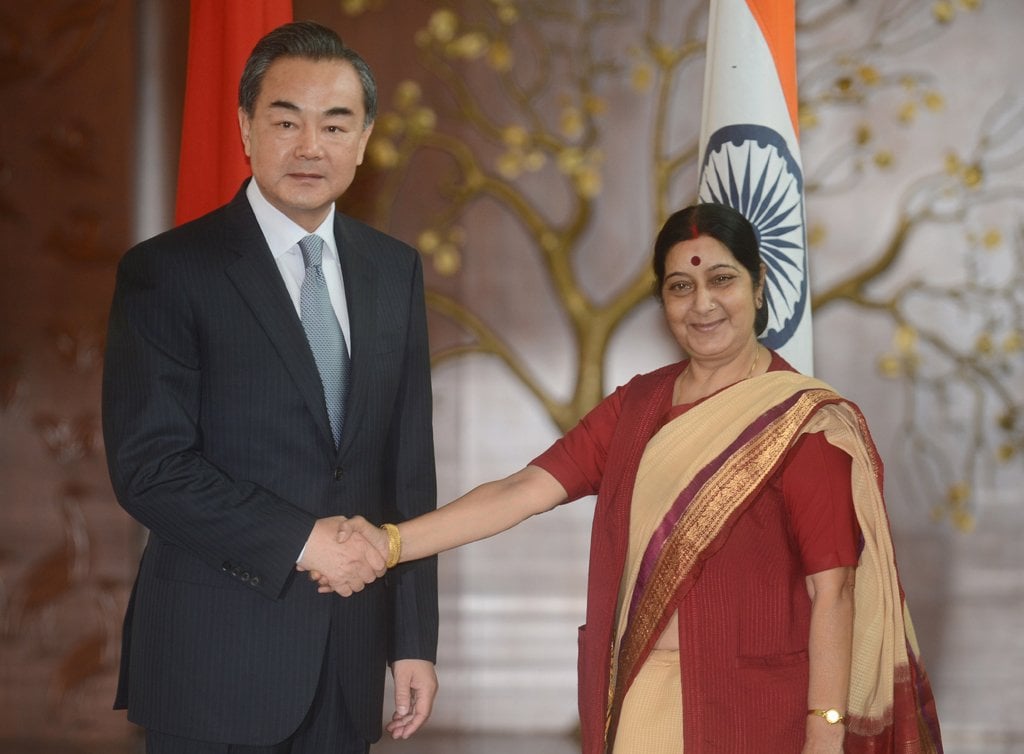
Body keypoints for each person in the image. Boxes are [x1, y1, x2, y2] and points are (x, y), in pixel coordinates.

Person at [318, 203, 943, 752]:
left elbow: (832, 593)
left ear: (758, 288)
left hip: (760, 712)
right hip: (638, 698)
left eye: (721, 279)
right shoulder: (638, 408)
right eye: (680, 285)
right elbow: (520, 492)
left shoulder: (803, 423)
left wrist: (824, 733)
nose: (702, 303)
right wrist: (389, 543)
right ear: (663, 302)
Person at [102, 21, 438, 754]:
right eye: (286, 120)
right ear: (246, 127)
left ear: (364, 137)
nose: (310, 146)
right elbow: (149, 467)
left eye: (334, 124)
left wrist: (412, 640)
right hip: (213, 659)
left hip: (348, 659)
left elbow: (405, 471)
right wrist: (301, 540)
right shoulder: (169, 271)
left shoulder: (393, 272)